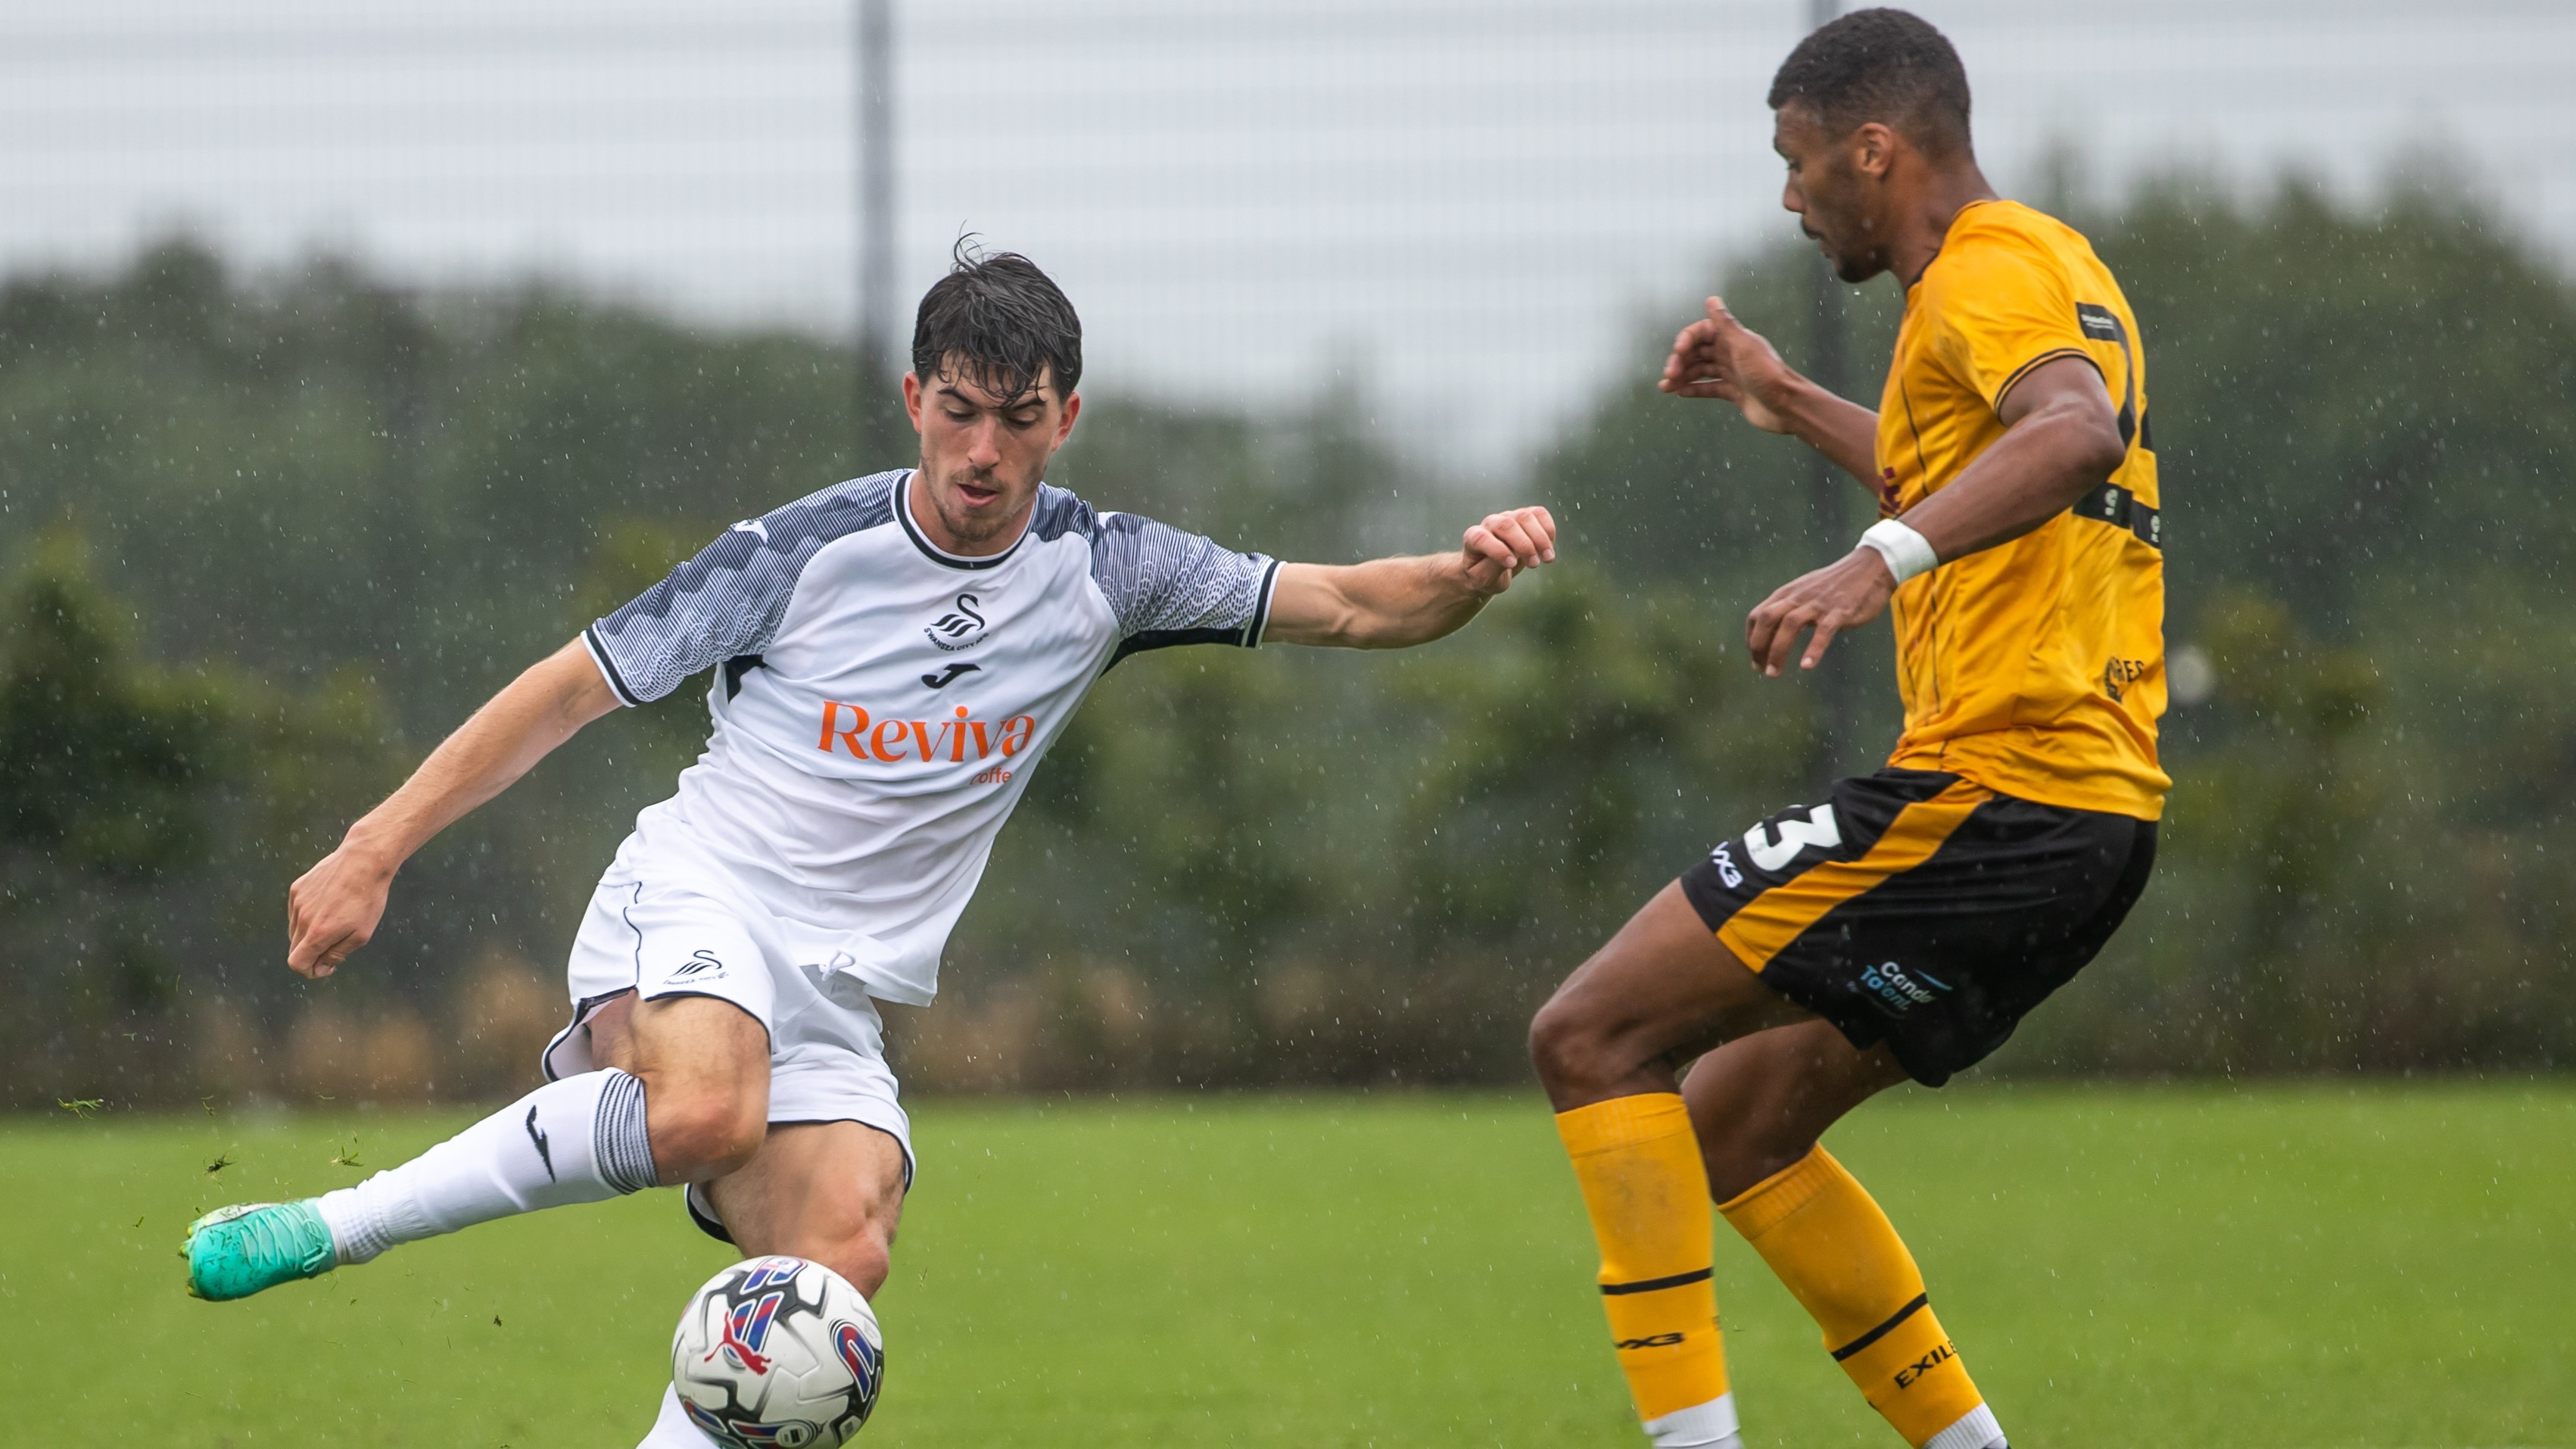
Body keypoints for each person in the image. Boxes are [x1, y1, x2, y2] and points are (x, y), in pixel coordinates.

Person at [182, 245, 1559, 1444]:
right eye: (956, 412)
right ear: (915, 399)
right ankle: (337, 1222)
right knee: (710, 1104)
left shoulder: (1109, 570)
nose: (981, 452)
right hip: (698, 891)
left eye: (1017, 420)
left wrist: (1466, 573)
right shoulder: (800, 552)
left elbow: (1360, 605)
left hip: (841, 990)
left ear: (1065, 418)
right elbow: (568, 688)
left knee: (835, 1264)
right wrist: (377, 843)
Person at [1527, 11, 2164, 1449]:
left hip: (2001, 791)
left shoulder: (1982, 276)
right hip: (2090, 821)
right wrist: (1785, 395)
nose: (1789, 195)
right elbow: (1979, 460)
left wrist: (1875, 560)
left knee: (1591, 1033)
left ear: (1874, 149)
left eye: (1799, 161)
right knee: (1737, 1127)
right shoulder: (2051, 261)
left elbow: (2071, 435)